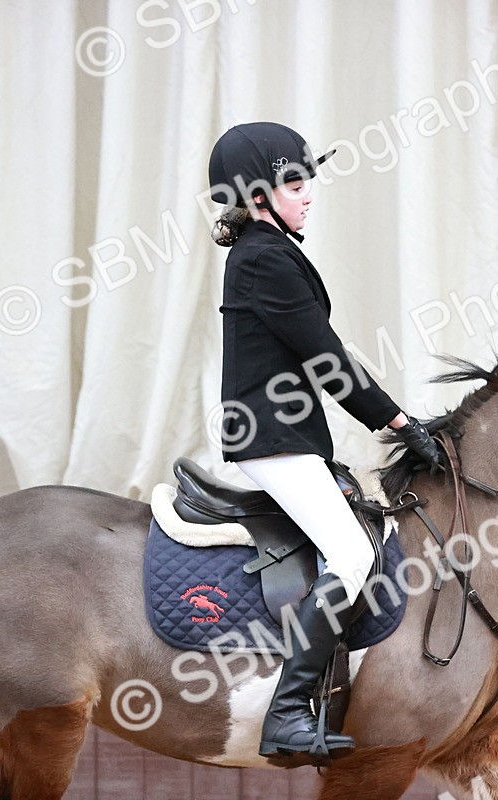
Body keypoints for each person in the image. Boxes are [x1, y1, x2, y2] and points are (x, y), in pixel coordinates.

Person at [208, 121, 442, 760]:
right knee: (350, 554)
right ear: (258, 196)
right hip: (271, 439)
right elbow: (328, 360)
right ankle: (286, 714)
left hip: (286, 436)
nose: (309, 191)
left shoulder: (269, 253)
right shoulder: (264, 258)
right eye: (293, 181)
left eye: (307, 178)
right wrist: (399, 424)